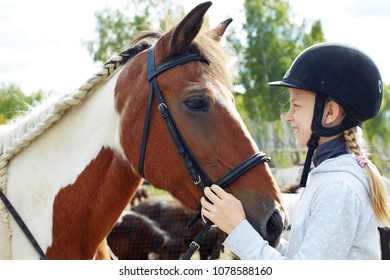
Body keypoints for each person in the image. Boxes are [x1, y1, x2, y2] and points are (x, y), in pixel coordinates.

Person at [200, 42, 390, 259]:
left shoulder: (338, 187)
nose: (288, 116)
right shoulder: (328, 177)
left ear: (329, 113)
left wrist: (238, 231)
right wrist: (247, 230)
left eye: (296, 106)